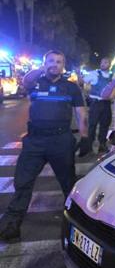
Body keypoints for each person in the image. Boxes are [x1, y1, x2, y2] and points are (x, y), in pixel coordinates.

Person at [0, 50, 90, 242]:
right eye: (51, 61)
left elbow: (81, 114)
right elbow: (25, 81)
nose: (55, 64)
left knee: (68, 184)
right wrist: (43, 68)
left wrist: (85, 137)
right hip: (35, 142)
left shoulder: (71, 88)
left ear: (63, 65)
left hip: (61, 140)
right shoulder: (35, 83)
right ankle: (11, 225)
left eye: (59, 62)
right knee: (23, 183)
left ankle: (76, 224)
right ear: (44, 63)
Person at [77, 56, 113, 154]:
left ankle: (102, 144)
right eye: (102, 62)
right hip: (96, 103)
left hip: (106, 103)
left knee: (105, 125)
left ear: (110, 64)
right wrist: (78, 74)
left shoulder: (111, 76)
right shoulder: (94, 73)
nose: (103, 64)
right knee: (92, 125)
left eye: (105, 62)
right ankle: (88, 146)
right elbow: (82, 82)